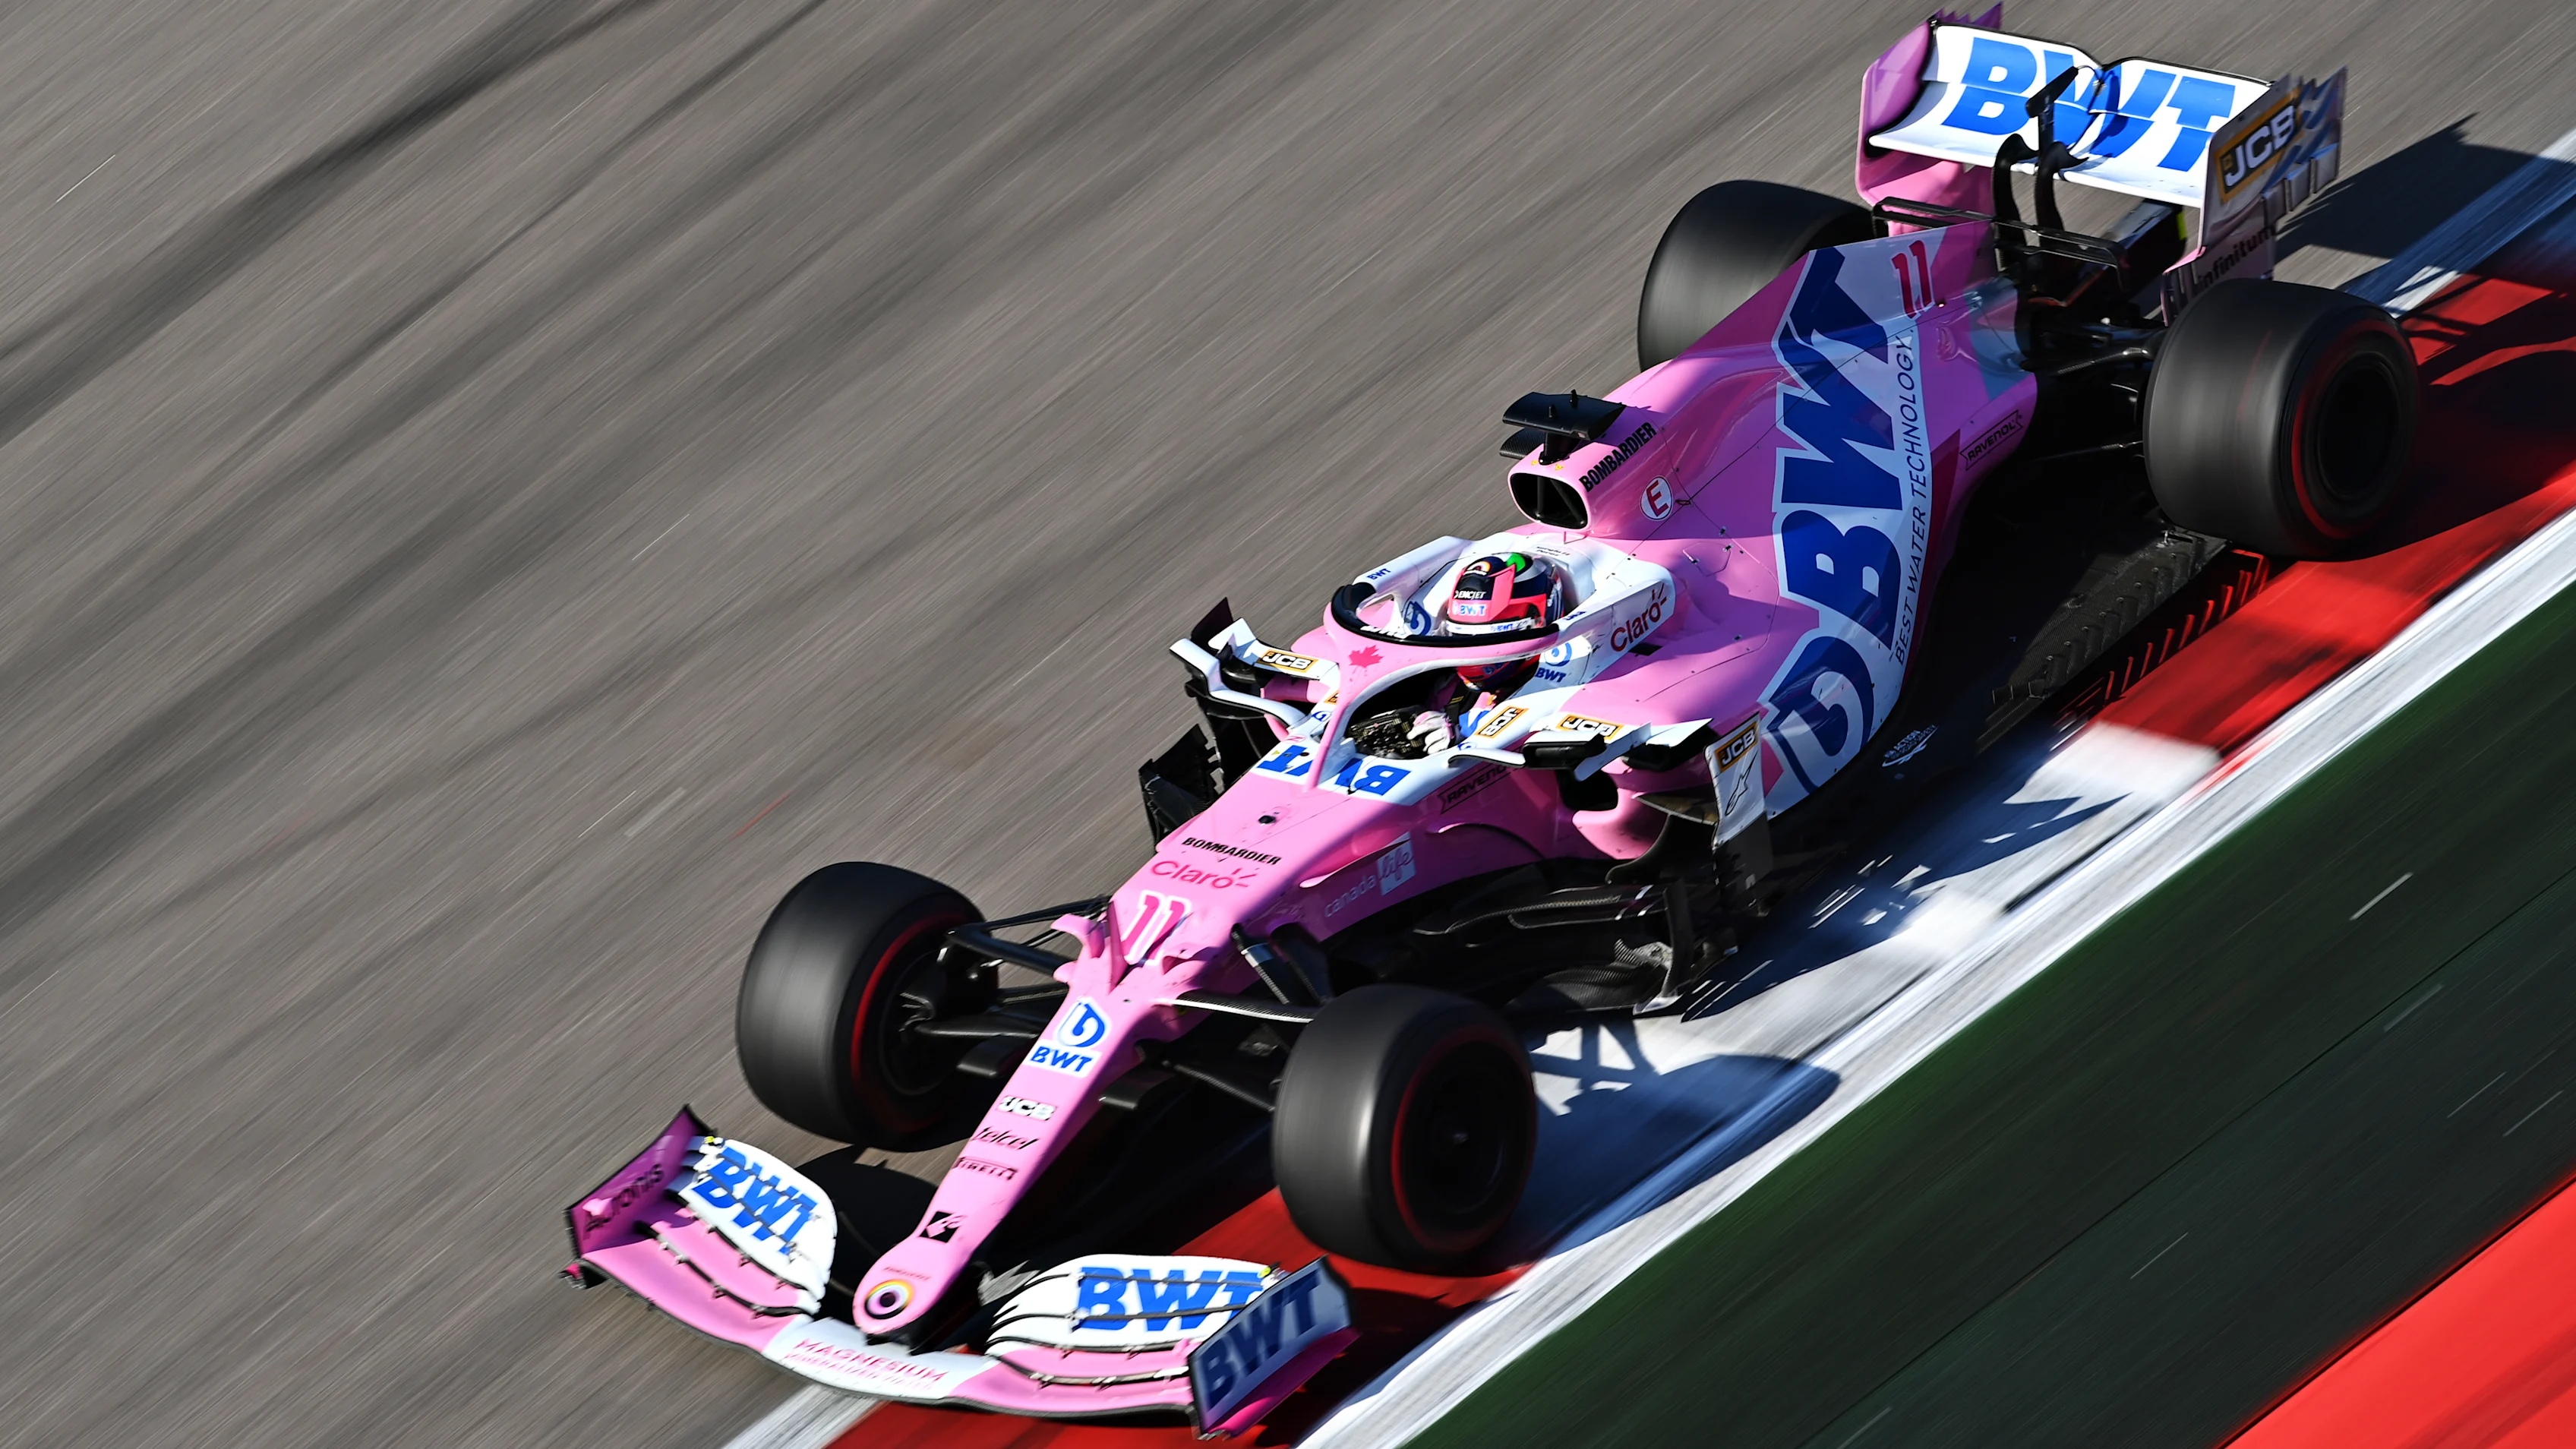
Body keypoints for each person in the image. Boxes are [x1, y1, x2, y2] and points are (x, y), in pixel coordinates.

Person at [1351, 552, 1571, 757]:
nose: (1474, 651)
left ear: (1537, 624)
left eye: (1488, 638)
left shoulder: (1565, 690)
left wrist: (1461, 733)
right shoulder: (1444, 683)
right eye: (1463, 634)